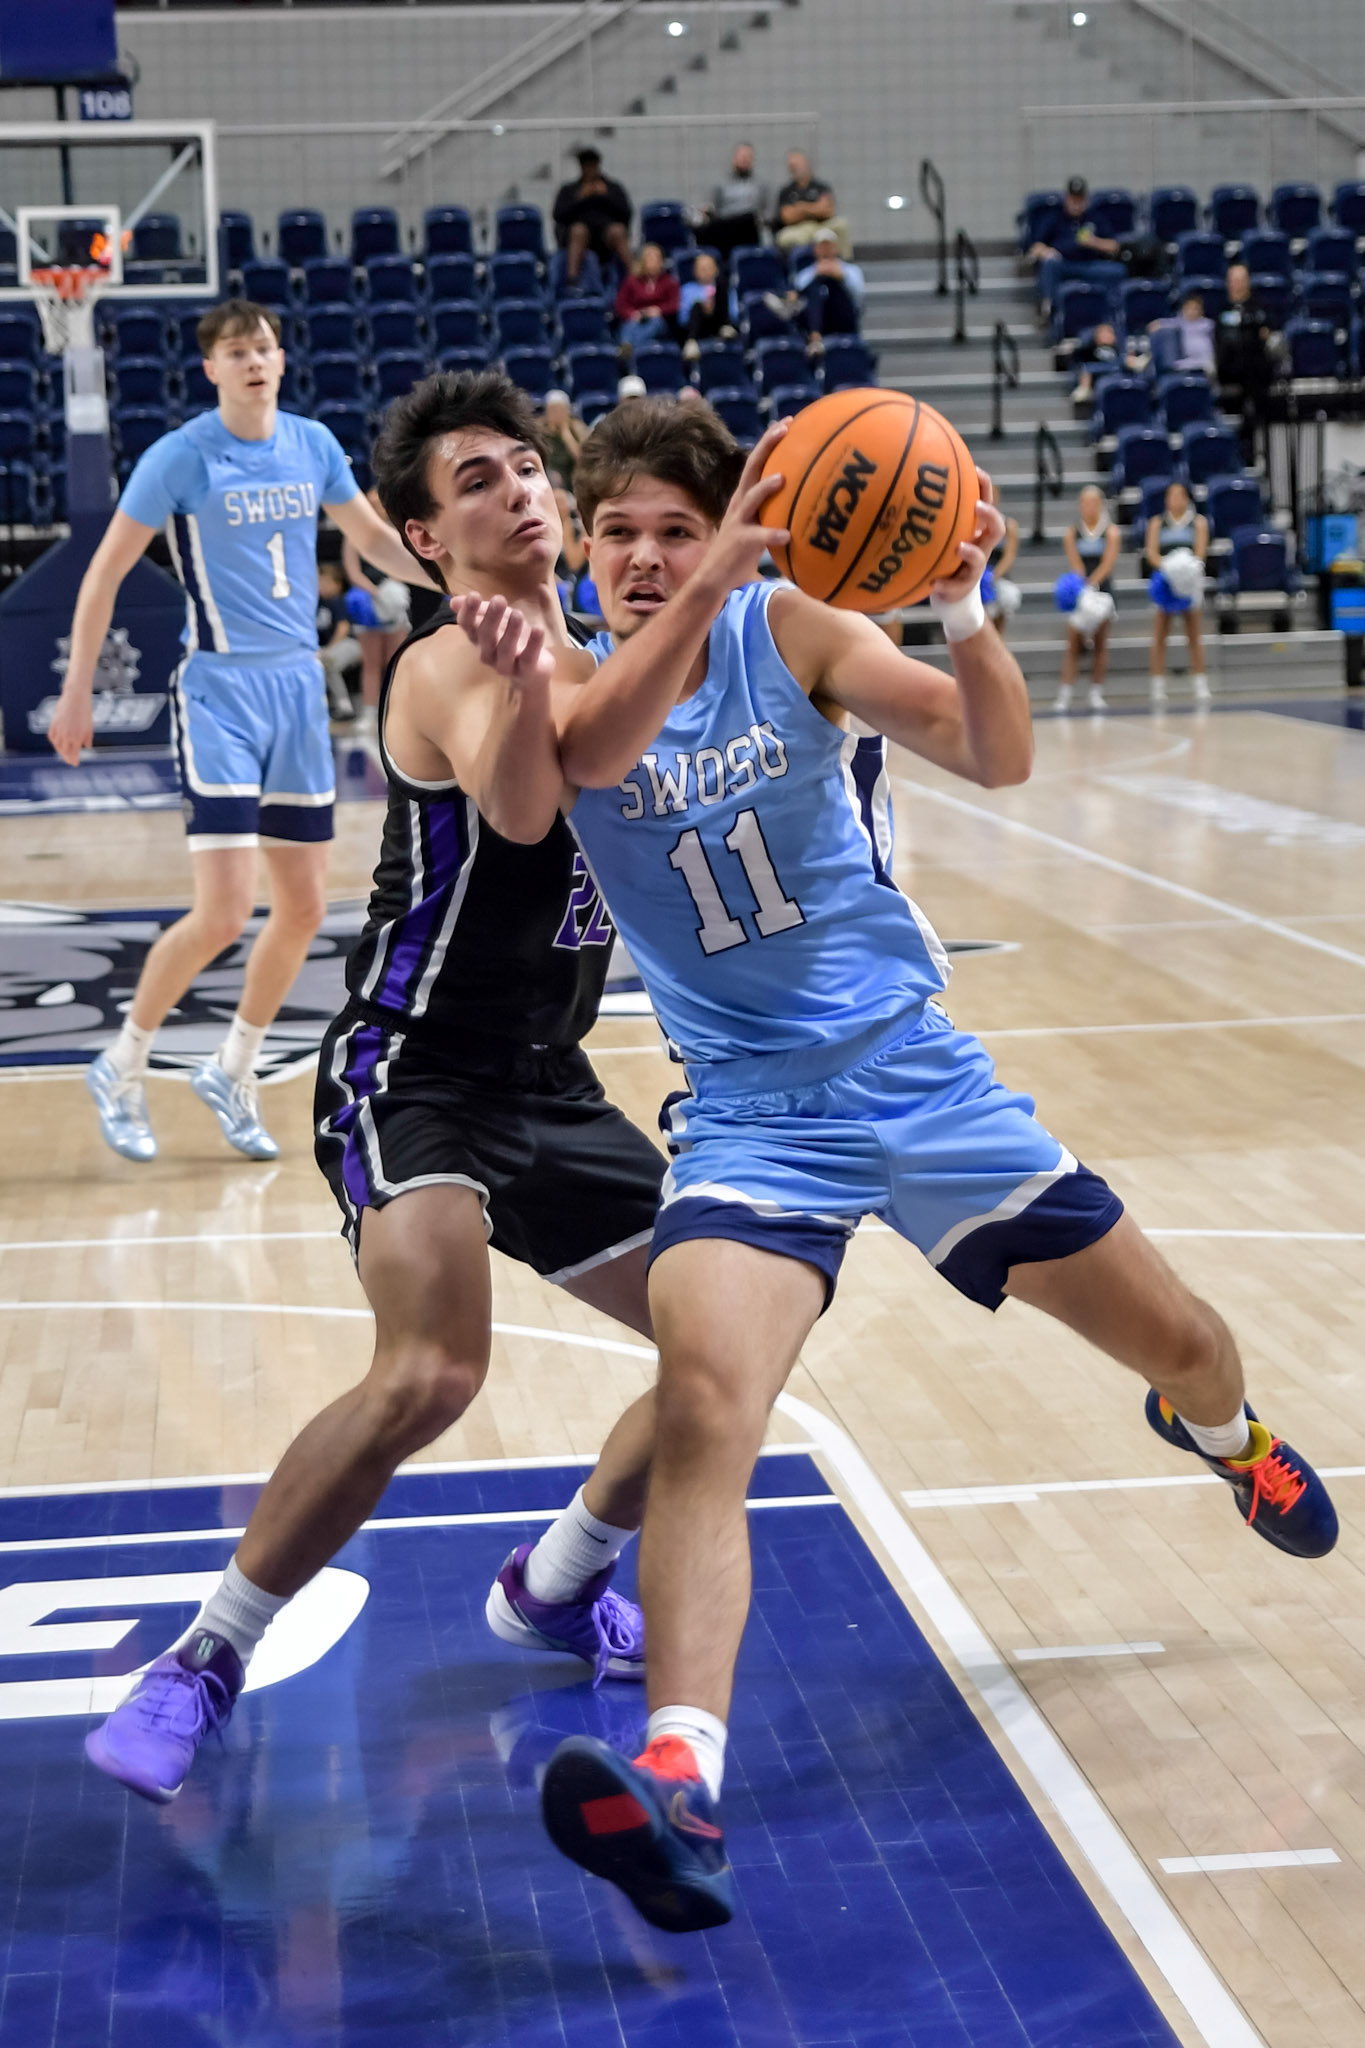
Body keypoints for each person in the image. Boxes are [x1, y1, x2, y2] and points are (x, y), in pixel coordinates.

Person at [451, 397, 1337, 1933]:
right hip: (751, 1117)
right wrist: (701, 580)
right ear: (584, 551)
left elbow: (995, 754)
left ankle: (1222, 1431)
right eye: (620, 535)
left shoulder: (792, 629)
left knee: (1187, 1343)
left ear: (730, 531)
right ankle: (680, 1778)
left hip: (915, 1080)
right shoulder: (566, 684)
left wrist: (967, 609)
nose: (648, 558)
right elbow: (571, 769)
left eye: (678, 530)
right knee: (710, 1404)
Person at [81, 368, 672, 1810]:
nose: (516, 490)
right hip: (415, 1071)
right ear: (421, 538)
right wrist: (540, 672)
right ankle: (202, 1660)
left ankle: (559, 1578)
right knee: (432, 1371)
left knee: (734, 1336)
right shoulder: (447, 660)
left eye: (524, 466)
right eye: (475, 482)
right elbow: (525, 809)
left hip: (552, 1078)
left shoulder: (601, 648)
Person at [47, 298, 435, 1165]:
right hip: (220, 691)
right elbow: (103, 574)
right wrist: (76, 692)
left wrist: (456, 577)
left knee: (303, 906)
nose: (254, 361)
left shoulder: (312, 444)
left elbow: (373, 540)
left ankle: (234, 1067)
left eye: (263, 347)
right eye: (236, 351)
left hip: (297, 688)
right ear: (211, 369)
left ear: (282, 359)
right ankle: (123, 1060)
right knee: (224, 909)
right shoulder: (179, 457)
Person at [343, 487, 413, 731]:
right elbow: (352, 570)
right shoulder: (354, 534)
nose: (376, 508)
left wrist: (392, 589)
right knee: (371, 662)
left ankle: (396, 712)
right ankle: (370, 712)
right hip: (367, 604)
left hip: (393, 603)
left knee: (395, 662)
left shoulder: (396, 533)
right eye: (370, 504)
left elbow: (406, 566)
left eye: (379, 504)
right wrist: (375, 593)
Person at [1055, 484, 1120, 711]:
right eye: (1084, 502)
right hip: (1080, 589)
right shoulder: (1072, 532)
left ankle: (1096, 692)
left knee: (1101, 642)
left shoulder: (1111, 531)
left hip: (1103, 590)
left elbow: (1108, 563)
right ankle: (1065, 693)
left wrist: (1094, 584)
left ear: (1100, 504)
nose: (1089, 507)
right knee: (1073, 643)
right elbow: (1075, 563)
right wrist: (1083, 587)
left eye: (1093, 502)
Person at [1145, 478, 1210, 706]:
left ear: (1187, 498)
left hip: (1189, 583)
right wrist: (1168, 568)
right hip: (1165, 582)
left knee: (1194, 634)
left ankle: (1200, 683)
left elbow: (1200, 553)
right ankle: (1157, 686)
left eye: (1179, 495)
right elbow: (1151, 553)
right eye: (1170, 496)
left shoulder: (1198, 522)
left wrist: (1184, 570)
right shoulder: (1156, 523)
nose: (1174, 500)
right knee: (1160, 635)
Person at [1027, 176, 1126, 320]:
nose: (1076, 204)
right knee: (1050, 264)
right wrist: (1048, 252)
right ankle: (1049, 309)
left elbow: (1114, 246)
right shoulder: (1054, 218)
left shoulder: (1095, 218)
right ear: (1066, 198)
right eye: (1073, 200)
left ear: (1086, 200)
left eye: (1080, 200)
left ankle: (1114, 313)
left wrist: (1093, 242)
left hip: (1090, 265)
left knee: (1117, 270)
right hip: (1065, 265)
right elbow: (1036, 247)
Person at [1216, 263, 1275, 465]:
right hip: (1229, 372)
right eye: (1234, 280)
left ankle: (1253, 454)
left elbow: (1266, 335)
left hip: (1254, 374)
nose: (1238, 284)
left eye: (1241, 280)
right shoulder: (1221, 310)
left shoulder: (1259, 309)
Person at [553, 146, 633, 287]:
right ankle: (572, 281)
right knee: (578, 231)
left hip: (606, 235)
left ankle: (635, 277)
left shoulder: (612, 188)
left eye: (592, 166)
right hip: (580, 236)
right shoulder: (569, 190)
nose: (590, 170)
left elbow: (626, 213)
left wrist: (607, 196)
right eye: (586, 166)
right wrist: (579, 198)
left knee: (618, 231)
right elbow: (558, 215)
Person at [788, 226, 865, 345]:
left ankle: (815, 335)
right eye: (822, 246)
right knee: (815, 288)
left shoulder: (851, 270)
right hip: (815, 317)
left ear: (836, 248)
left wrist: (841, 277)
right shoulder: (807, 273)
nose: (825, 249)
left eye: (829, 245)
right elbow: (797, 294)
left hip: (843, 317)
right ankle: (815, 333)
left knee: (831, 285)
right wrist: (816, 275)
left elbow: (859, 296)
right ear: (815, 249)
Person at [772, 150, 851, 259]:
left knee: (841, 224)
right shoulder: (786, 191)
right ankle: (798, 266)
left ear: (807, 164)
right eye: (791, 166)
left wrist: (801, 207)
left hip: (822, 224)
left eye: (797, 164)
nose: (794, 168)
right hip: (800, 228)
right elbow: (787, 217)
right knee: (785, 238)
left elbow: (828, 211)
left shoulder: (821, 186)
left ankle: (846, 264)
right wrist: (816, 208)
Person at [701, 141, 771, 264]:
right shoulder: (720, 184)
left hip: (751, 230)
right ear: (734, 158)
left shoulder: (761, 185)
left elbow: (767, 212)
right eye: (741, 156)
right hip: (726, 229)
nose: (744, 160)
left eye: (748, 157)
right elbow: (712, 208)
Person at [316, 557, 360, 723]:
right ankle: (321, 707)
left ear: (337, 584)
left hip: (350, 643)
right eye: (319, 582)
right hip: (327, 647)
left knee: (329, 662)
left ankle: (345, 707)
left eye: (326, 582)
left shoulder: (338, 601)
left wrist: (328, 648)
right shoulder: (316, 604)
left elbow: (343, 628)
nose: (321, 586)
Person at [615, 243, 680, 354]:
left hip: (659, 320)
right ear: (643, 262)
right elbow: (621, 305)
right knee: (629, 325)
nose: (653, 263)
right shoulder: (631, 281)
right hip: (636, 317)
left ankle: (630, 349)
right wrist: (632, 314)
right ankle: (625, 345)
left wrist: (658, 310)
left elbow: (674, 304)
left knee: (655, 322)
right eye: (649, 260)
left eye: (656, 260)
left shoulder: (669, 281)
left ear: (661, 262)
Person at [1071, 319, 1148, 403]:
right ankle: (1084, 389)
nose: (1107, 336)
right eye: (1102, 334)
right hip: (1101, 377)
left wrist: (1126, 361)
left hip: (1119, 374)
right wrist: (1120, 363)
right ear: (1096, 337)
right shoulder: (1090, 350)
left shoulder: (1118, 351)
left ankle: (1138, 364)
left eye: (1109, 333)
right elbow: (1083, 364)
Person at [1155, 292, 1215, 376]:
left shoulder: (1208, 324)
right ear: (1183, 310)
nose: (1191, 312)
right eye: (1188, 308)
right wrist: (1158, 323)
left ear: (1201, 311)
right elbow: (1168, 323)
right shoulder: (1181, 323)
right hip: (1188, 362)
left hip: (1206, 361)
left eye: (1195, 309)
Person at [982, 513, 1022, 638]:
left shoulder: (1009, 525)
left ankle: (996, 640)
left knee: (1007, 597)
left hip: (996, 578)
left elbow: (1009, 556)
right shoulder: (970, 522)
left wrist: (991, 577)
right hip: (975, 577)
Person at [540, 388, 589, 490]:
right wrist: (547, 433)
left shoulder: (577, 428)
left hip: (571, 476)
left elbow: (584, 460)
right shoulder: (539, 428)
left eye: (559, 410)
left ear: (567, 411)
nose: (556, 414)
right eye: (552, 410)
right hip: (549, 476)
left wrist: (565, 433)